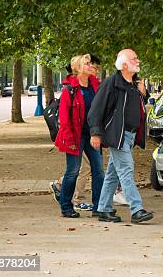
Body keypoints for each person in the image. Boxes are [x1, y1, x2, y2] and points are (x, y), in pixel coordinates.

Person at [89, 49, 153, 224]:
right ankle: (137, 209)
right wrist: (95, 132)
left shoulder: (134, 84)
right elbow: (96, 109)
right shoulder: (111, 83)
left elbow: (136, 108)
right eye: (134, 58)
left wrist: (144, 94)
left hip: (130, 135)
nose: (138, 61)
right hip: (117, 134)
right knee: (126, 170)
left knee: (112, 174)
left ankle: (103, 209)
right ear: (124, 64)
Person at [54, 54, 103, 218]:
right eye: (87, 64)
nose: (91, 66)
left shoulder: (95, 85)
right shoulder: (70, 89)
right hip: (76, 136)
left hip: (93, 135)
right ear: (78, 68)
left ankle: (99, 206)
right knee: (72, 171)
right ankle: (66, 207)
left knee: (98, 171)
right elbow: (64, 118)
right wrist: (69, 140)